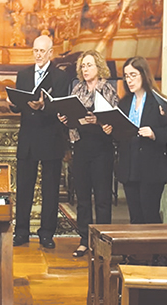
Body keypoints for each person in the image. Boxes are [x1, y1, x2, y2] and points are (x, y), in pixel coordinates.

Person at [9, 35, 70, 249]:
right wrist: (13, 103)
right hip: (28, 138)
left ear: (51, 53)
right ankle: (21, 231)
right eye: (35, 50)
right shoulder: (24, 74)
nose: (38, 55)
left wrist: (43, 107)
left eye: (42, 51)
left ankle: (46, 233)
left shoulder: (61, 77)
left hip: (51, 137)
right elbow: (19, 105)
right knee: (24, 188)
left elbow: (63, 107)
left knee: (50, 189)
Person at [58, 50, 118, 257]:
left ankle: (103, 242)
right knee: (82, 198)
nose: (85, 69)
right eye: (83, 66)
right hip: (81, 146)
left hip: (101, 148)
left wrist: (99, 122)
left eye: (89, 65)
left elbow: (115, 120)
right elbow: (72, 113)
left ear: (99, 67)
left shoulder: (108, 89)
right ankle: (84, 239)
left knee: (102, 198)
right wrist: (66, 119)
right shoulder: (77, 89)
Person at [104, 56, 167, 224]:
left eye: (133, 75)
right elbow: (120, 134)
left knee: (150, 213)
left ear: (144, 74)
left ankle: (154, 250)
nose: (129, 80)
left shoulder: (158, 101)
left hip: (151, 167)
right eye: (126, 76)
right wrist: (111, 130)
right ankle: (137, 250)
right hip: (130, 166)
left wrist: (154, 133)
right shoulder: (125, 102)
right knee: (135, 215)